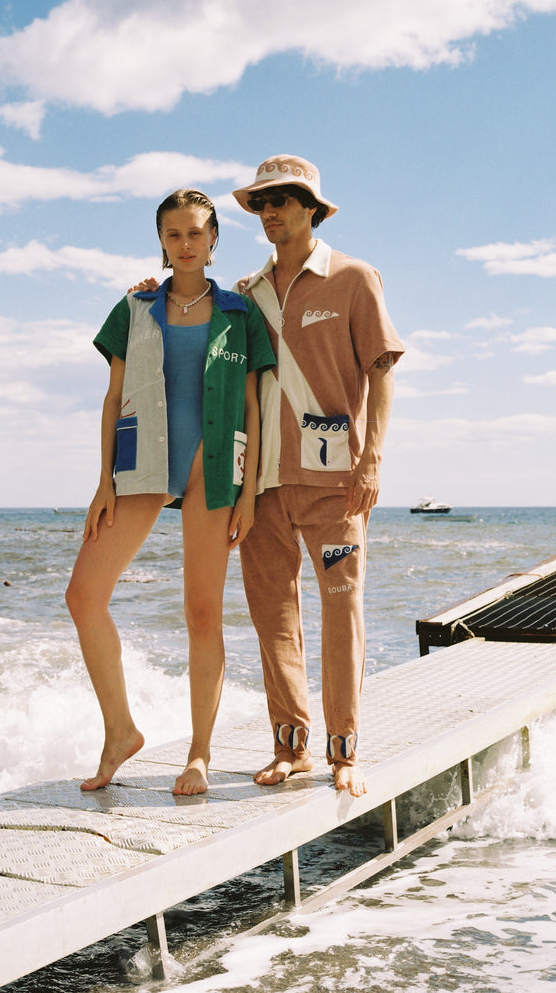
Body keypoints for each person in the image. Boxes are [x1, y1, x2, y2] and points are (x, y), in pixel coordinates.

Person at [66, 189, 275, 796]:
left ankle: (200, 754)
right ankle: (120, 731)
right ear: (161, 241)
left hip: (212, 466)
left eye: (196, 234)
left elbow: (253, 405)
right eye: (174, 235)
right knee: (83, 596)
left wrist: (250, 493)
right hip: (142, 463)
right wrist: (102, 481)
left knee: (203, 613)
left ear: (214, 241)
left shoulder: (239, 312)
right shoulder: (134, 308)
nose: (185, 245)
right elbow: (113, 395)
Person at [231, 154, 405, 796]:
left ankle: (344, 751)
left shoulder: (354, 278)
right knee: (272, 615)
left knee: (341, 611)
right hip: (261, 485)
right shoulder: (245, 295)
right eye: (262, 201)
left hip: (335, 484)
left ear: (312, 208)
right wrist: (148, 290)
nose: (271, 210)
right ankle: (290, 746)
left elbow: (382, 371)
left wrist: (373, 458)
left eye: (283, 198)